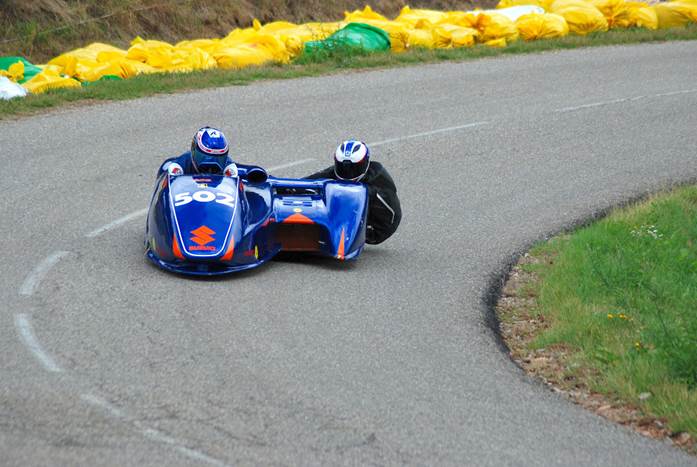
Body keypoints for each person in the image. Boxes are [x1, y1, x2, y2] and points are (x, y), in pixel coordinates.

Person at [306, 140, 401, 245]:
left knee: (350, 195)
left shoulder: (379, 182)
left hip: (373, 228)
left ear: (366, 163)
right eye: (342, 167)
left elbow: (394, 216)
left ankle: (339, 231)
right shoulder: (334, 172)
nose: (348, 173)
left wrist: (366, 233)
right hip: (341, 217)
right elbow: (306, 182)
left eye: (354, 168)